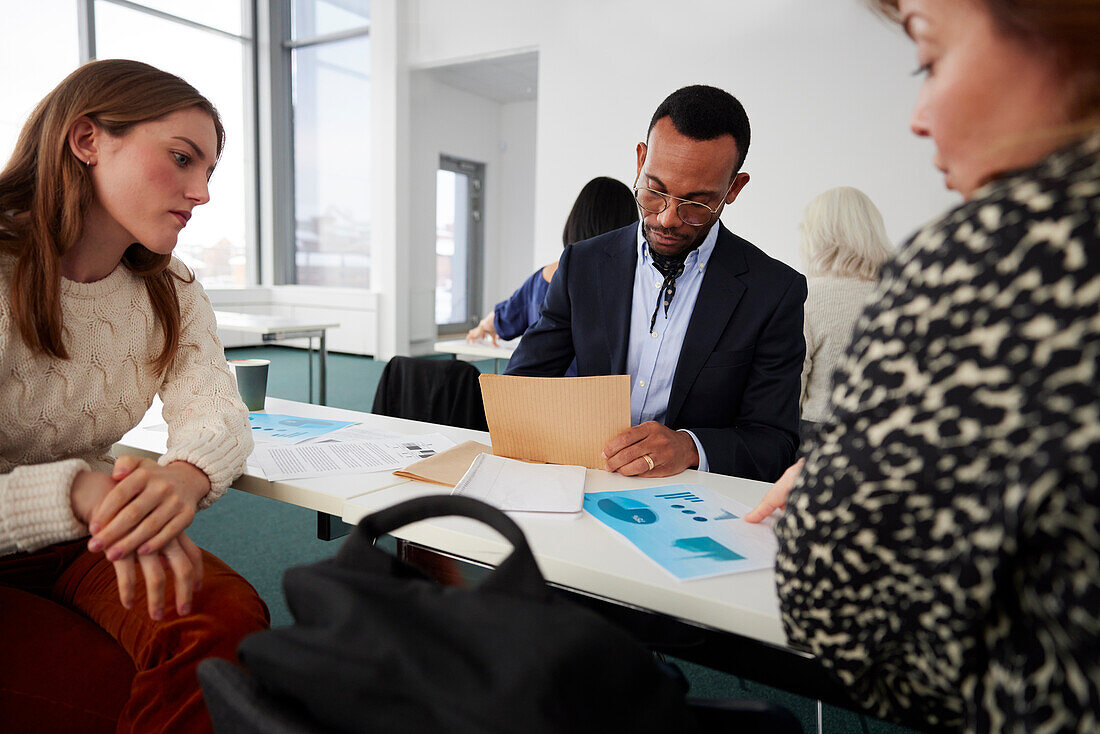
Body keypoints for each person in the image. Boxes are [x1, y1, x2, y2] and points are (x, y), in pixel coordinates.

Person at [746, 1, 1100, 730]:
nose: (918, 116)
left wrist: (833, 488)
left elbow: (837, 611)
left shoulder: (981, 262)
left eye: (926, 60)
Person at [0, 60, 269, 732]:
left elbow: (215, 408)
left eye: (209, 171)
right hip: (74, 517)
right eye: (182, 159)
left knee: (226, 624)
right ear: (87, 140)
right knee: (108, 689)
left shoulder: (169, 287)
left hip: (87, 534)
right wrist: (77, 494)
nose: (201, 192)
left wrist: (184, 476)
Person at [507, 85, 806, 482]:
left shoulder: (773, 291)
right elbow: (520, 389)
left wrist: (690, 447)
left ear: (733, 188)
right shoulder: (582, 264)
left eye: (696, 203)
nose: (667, 218)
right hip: (584, 489)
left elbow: (774, 443)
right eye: (655, 191)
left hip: (697, 508)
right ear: (640, 160)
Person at [467, 176, 638, 350]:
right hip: (607, 378)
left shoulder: (543, 278)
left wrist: (481, 327)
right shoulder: (635, 283)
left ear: (575, 221)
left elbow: (503, 317)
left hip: (543, 377)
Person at [797, 186, 893, 424]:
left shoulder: (807, 296)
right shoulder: (901, 292)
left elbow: (790, 391)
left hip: (821, 440)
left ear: (816, 235)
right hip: (890, 439)